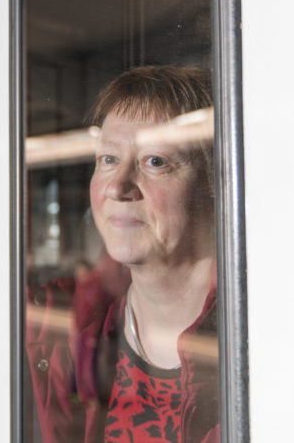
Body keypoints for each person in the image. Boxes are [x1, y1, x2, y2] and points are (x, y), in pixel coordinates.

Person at [26, 66, 219, 443]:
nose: (117, 186)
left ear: (212, 186)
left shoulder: (265, 337)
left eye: (155, 161)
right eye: (109, 159)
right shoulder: (70, 330)